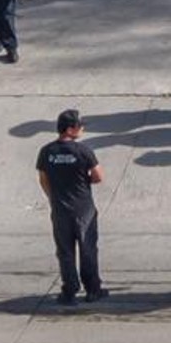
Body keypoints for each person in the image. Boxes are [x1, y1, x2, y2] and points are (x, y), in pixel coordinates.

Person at [37, 108, 108, 305]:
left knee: (65, 252)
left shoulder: (47, 151)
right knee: (88, 249)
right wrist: (83, 180)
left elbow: (43, 179)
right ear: (70, 129)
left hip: (60, 210)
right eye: (79, 126)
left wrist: (53, 197)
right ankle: (93, 290)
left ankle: (69, 290)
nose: (82, 128)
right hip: (83, 209)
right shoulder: (83, 151)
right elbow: (99, 176)